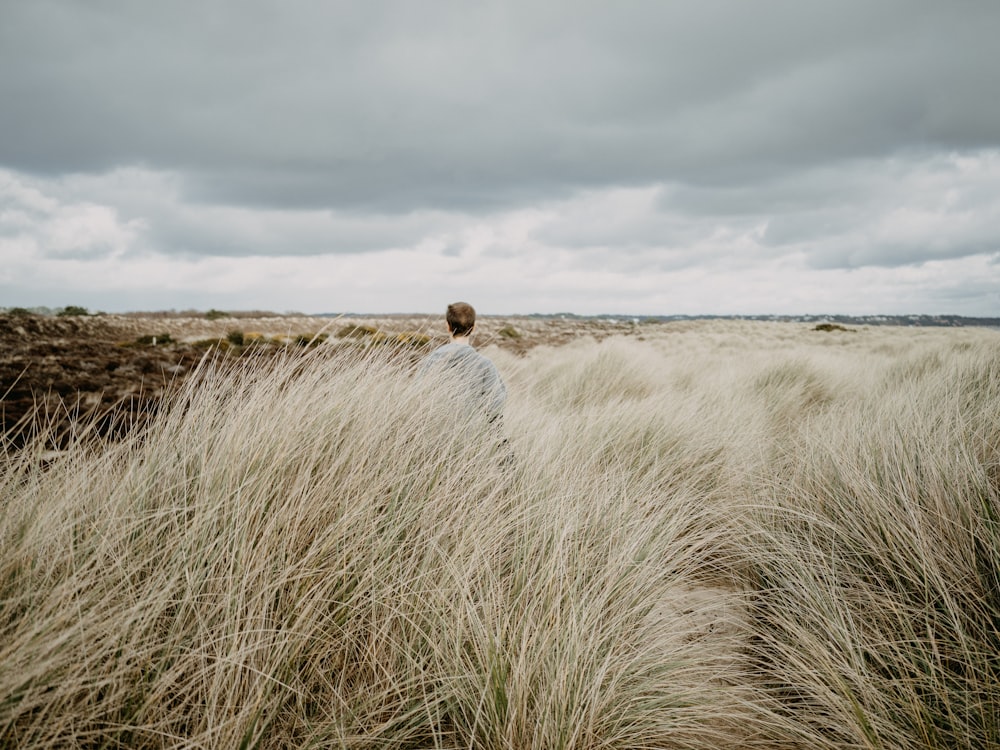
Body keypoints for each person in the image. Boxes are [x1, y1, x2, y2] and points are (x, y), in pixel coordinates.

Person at [418, 302, 507, 426]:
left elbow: (418, 396)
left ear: (447, 326)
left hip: (432, 431)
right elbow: (496, 405)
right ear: (473, 327)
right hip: (473, 434)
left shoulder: (431, 360)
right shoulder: (485, 365)